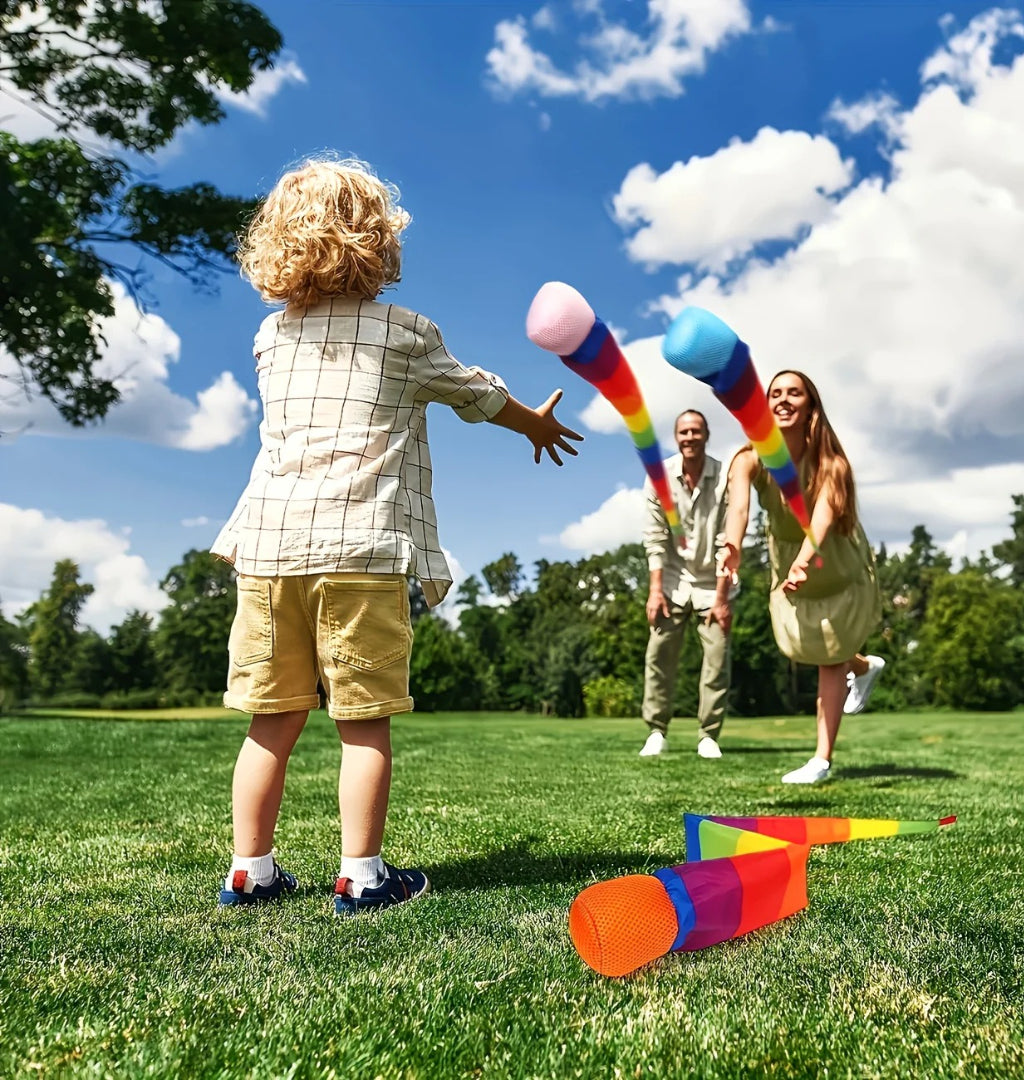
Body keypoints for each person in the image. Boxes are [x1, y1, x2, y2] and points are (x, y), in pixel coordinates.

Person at [211, 157, 582, 913]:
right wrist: (533, 424)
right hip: (361, 548)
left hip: (269, 548)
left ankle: (250, 871)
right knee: (363, 722)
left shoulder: (269, 340)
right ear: (377, 240)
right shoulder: (406, 333)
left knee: (271, 722)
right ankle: (364, 876)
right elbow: (476, 394)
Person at [723, 371, 883, 783]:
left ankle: (821, 761)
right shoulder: (750, 458)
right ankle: (862, 667)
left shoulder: (831, 462)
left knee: (828, 656)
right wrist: (733, 545)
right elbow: (738, 509)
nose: (783, 399)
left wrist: (805, 559)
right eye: (775, 393)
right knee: (809, 645)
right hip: (788, 556)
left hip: (835, 558)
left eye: (794, 393)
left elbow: (825, 517)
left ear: (811, 404)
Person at [639, 409, 734, 759]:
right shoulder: (659, 477)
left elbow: (729, 539)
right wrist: (654, 591)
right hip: (673, 580)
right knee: (659, 654)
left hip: (715, 581)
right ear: (676, 438)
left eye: (696, 431)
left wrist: (722, 599)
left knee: (717, 657)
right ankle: (656, 731)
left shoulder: (726, 476)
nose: (690, 437)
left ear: (707, 435)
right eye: (683, 432)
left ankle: (708, 735)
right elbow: (655, 537)